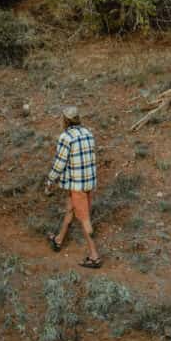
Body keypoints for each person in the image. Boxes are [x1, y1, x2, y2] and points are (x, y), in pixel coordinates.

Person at [44, 107, 101, 267]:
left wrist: (50, 181)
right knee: (70, 209)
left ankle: (94, 257)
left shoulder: (66, 137)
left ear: (65, 120)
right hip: (88, 182)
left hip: (77, 185)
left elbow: (59, 163)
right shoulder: (88, 133)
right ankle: (58, 240)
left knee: (84, 219)